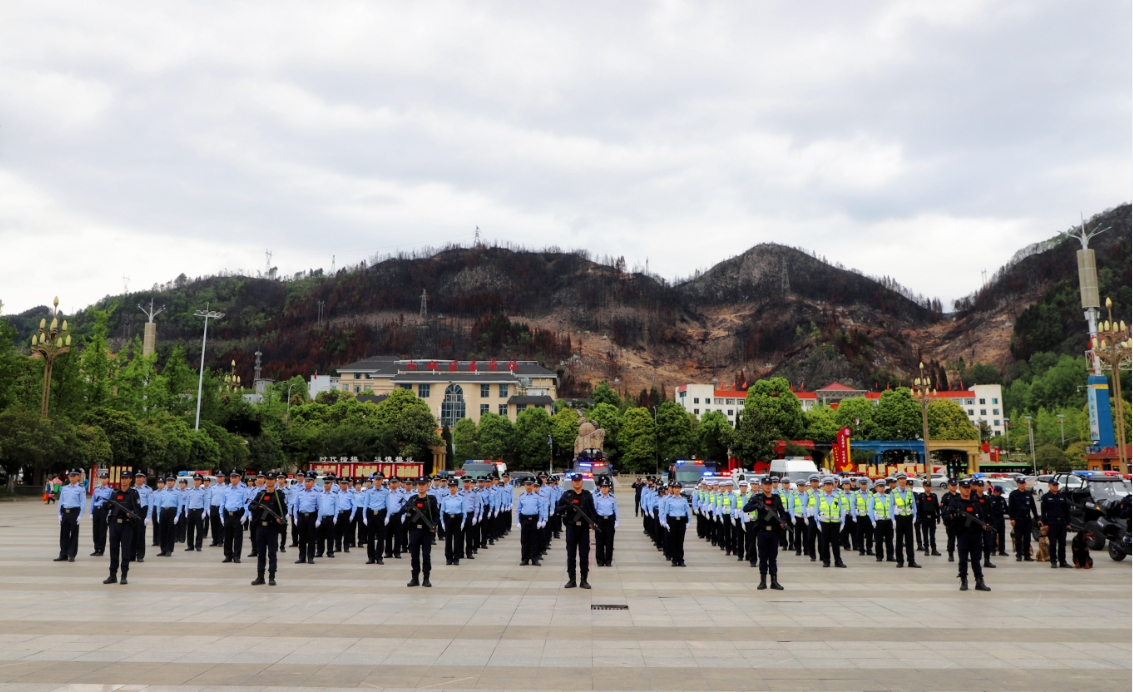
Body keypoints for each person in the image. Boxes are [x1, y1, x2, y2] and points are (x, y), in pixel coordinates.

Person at [743, 476, 788, 589]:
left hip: (774, 532)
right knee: (763, 556)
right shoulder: (757, 498)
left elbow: (783, 513)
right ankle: (762, 581)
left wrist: (783, 521)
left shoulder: (776, 498)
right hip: (762, 531)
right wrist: (757, 505)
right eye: (766, 484)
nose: (768, 486)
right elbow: (746, 508)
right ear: (761, 486)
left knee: (773, 557)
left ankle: (774, 581)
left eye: (770, 484)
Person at [945, 479, 990, 591]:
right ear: (960, 489)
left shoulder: (975, 502)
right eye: (964, 488)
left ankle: (979, 581)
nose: (966, 490)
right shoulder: (955, 502)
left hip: (976, 535)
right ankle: (963, 580)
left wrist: (984, 524)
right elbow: (946, 518)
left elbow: (982, 517)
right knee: (963, 559)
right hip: (962, 534)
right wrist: (954, 515)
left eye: (968, 488)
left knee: (976, 559)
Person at [556, 473, 597, 588]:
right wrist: (568, 507)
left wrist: (592, 522)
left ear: (582, 482)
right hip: (571, 528)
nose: (577, 482)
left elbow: (592, 511)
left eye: (579, 480)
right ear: (572, 482)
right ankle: (572, 579)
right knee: (571, 554)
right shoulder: (567, 495)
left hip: (583, 528)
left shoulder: (587, 495)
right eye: (575, 480)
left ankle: (584, 580)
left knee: (584, 554)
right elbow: (557, 509)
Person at [248, 473, 288, 586]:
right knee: (261, 553)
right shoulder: (261, 494)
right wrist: (258, 507)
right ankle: (260, 577)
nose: (269, 482)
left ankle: (271, 577)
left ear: (275, 481)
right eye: (268, 479)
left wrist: (281, 518)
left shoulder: (279, 495)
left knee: (272, 553)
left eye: (271, 479)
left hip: (272, 528)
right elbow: (250, 506)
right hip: (261, 527)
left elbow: (284, 510)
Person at [103, 479, 143, 585]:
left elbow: (138, 508)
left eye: (126, 479)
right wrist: (109, 505)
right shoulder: (115, 493)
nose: (124, 481)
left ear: (130, 480)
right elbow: (106, 506)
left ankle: (124, 575)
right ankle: (112, 575)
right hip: (114, 524)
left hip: (127, 525)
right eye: (122, 479)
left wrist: (132, 513)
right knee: (113, 550)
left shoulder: (133, 493)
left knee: (126, 551)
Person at [405, 477, 439, 587]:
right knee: (414, 555)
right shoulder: (413, 499)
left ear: (428, 485)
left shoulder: (431, 499)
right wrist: (410, 509)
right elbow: (404, 510)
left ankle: (426, 578)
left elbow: (436, 515)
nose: (421, 486)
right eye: (419, 484)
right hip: (414, 530)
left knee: (426, 555)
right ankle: (415, 578)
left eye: (423, 484)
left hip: (426, 531)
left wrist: (434, 525)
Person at [811, 477, 847, 568]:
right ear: (823, 486)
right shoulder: (820, 497)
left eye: (830, 485)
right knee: (825, 542)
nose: (828, 487)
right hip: (824, 522)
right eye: (826, 485)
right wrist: (818, 523)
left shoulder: (837, 497)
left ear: (832, 485)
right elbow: (816, 511)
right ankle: (826, 560)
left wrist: (843, 522)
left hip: (835, 522)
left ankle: (838, 561)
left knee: (835, 543)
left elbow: (841, 510)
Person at [1039, 478, 1073, 569]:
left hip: (1062, 523)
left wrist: (1068, 523)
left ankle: (1063, 561)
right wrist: (1045, 524)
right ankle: (1053, 561)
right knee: (1053, 543)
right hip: (1052, 523)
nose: (1056, 487)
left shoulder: (1062, 497)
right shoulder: (1045, 497)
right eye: (1054, 485)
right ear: (1049, 485)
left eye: (1057, 485)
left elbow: (1067, 511)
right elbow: (1043, 512)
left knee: (1062, 544)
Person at [54, 470, 87, 562]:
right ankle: (63, 554)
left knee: (74, 534)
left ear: (78, 477)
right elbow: (61, 502)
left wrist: (80, 515)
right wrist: (59, 514)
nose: (72, 477)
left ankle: (72, 554)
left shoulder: (81, 489)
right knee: (63, 534)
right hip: (65, 512)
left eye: (74, 476)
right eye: (70, 476)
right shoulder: (65, 488)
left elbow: (83, 503)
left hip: (74, 512)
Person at [891, 473, 921, 568]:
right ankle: (900, 560)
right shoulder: (894, 492)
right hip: (899, 518)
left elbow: (913, 505)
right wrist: (893, 520)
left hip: (908, 517)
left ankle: (911, 561)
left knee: (909, 540)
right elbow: (890, 507)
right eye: (901, 479)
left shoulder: (909, 491)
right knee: (899, 540)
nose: (903, 481)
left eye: (904, 479)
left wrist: (915, 515)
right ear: (898, 481)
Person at [219, 470, 249, 563]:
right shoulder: (226, 490)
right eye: (232, 477)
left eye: (235, 477)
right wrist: (221, 516)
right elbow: (222, 503)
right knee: (227, 537)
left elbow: (246, 504)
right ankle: (228, 555)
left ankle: (236, 556)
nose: (233, 479)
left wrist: (245, 515)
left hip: (237, 515)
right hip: (228, 515)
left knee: (237, 537)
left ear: (239, 478)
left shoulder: (243, 490)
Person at [515, 478, 546, 566]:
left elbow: (540, 509)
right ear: (524, 485)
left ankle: (534, 559)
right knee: (525, 540)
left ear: (533, 485)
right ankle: (525, 559)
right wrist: (518, 522)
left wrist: (540, 521)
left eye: (530, 485)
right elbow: (518, 510)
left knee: (534, 540)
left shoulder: (537, 497)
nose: (529, 486)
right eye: (527, 485)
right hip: (524, 520)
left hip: (534, 519)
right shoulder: (522, 497)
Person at [1007, 476, 1038, 561]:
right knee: (1018, 538)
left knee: (1027, 538)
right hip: (1017, 519)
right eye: (1020, 484)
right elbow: (1010, 508)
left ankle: (1027, 555)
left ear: (1025, 484)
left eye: (1023, 483)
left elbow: (1033, 507)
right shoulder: (1013, 494)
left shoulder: (1028, 494)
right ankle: (1019, 555)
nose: (1022, 485)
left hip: (1027, 519)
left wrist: (1037, 518)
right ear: (1017, 484)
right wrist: (1012, 518)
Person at [291, 472, 320, 564]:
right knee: (302, 538)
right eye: (306, 481)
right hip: (301, 516)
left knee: (311, 538)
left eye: (309, 481)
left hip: (311, 516)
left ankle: (310, 557)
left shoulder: (316, 493)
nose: (307, 483)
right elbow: (296, 506)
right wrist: (295, 518)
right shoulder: (300, 493)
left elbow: (320, 507)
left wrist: (318, 519)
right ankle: (302, 557)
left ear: (313, 482)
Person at [661, 481, 691, 566]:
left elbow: (687, 512)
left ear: (680, 489)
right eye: (675, 488)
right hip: (672, 521)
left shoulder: (683, 500)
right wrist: (665, 523)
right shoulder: (669, 500)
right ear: (672, 489)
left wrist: (688, 522)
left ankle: (680, 559)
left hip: (681, 521)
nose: (677, 490)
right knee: (673, 540)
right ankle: (674, 559)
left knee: (680, 541)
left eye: (678, 488)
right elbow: (666, 512)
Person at [593, 476, 619, 566]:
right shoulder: (597, 497)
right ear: (600, 487)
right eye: (603, 487)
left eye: (606, 487)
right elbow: (594, 510)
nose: (604, 488)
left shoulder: (612, 497)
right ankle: (600, 560)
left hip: (610, 521)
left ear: (608, 488)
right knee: (599, 542)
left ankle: (608, 560)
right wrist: (594, 521)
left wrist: (617, 521)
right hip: (600, 521)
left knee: (609, 542)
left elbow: (615, 509)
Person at [154, 476, 182, 557]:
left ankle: (169, 550)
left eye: (171, 481)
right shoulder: (162, 492)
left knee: (170, 531)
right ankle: (163, 549)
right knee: (162, 531)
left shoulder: (177, 492)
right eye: (168, 481)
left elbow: (179, 505)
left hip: (172, 511)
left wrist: (177, 516)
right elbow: (158, 505)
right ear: (166, 482)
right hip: (163, 511)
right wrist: (158, 515)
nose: (169, 482)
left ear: (174, 482)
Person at [440, 478, 466, 565]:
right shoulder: (445, 498)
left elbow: (464, 511)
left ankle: (456, 558)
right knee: (448, 541)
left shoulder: (461, 498)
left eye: (454, 486)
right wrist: (442, 522)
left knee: (457, 540)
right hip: (448, 520)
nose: (452, 488)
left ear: (457, 487)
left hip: (457, 520)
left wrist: (463, 522)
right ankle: (448, 558)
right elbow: (442, 511)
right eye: (450, 486)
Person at [868, 479, 894, 562]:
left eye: (883, 486)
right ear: (876, 488)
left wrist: (893, 520)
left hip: (888, 520)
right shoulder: (874, 497)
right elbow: (870, 510)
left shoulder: (889, 497)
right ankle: (879, 556)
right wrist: (873, 521)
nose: (882, 488)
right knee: (878, 540)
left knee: (889, 540)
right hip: (879, 521)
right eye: (880, 487)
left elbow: (893, 509)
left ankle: (890, 556)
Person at [182, 474, 208, 551]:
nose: (196, 482)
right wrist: (186, 511)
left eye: (198, 480)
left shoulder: (203, 491)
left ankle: (198, 545)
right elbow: (187, 501)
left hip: (199, 511)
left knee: (199, 529)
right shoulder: (190, 491)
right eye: (195, 480)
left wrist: (204, 512)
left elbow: (205, 502)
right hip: (191, 511)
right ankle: (190, 545)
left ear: (200, 482)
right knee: (189, 529)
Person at [89, 472, 113, 556]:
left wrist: (110, 512)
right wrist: (91, 512)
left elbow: (111, 502)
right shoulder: (97, 489)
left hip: (104, 510)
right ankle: (96, 548)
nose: (103, 480)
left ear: (108, 479)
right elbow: (93, 501)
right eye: (102, 478)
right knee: (95, 530)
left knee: (102, 531)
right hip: (96, 510)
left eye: (105, 478)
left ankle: (101, 549)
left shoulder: (110, 490)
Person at [131, 472, 153, 562]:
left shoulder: (148, 489)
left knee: (140, 535)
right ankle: (131, 555)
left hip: (142, 512)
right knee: (131, 535)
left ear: (144, 479)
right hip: (132, 513)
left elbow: (150, 504)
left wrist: (147, 517)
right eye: (137, 477)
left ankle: (140, 555)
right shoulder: (131, 489)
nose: (138, 479)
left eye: (140, 477)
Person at [316, 476, 338, 558]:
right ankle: (319, 551)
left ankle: (330, 551)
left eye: (328, 483)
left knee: (330, 536)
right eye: (325, 483)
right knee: (319, 536)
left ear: (331, 484)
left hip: (330, 518)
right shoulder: (319, 494)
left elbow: (337, 507)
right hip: (321, 518)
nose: (326, 485)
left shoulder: (334, 495)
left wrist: (335, 517)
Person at [919, 482, 941, 557]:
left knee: (932, 535)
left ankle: (934, 549)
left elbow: (937, 507)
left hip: (932, 518)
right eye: (926, 486)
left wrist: (938, 516)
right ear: (924, 487)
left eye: (929, 486)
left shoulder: (934, 496)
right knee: (925, 535)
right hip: (924, 518)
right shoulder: (921, 496)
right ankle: (926, 549)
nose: (928, 488)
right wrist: (919, 518)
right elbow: (919, 507)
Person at [940, 478, 959, 561]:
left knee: (962, 539)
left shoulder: (959, 496)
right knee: (951, 539)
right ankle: (950, 554)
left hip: (959, 521)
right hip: (951, 522)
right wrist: (946, 520)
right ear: (948, 486)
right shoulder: (945, 497)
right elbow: (942, 509)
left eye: (955, 485)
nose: (954, 487)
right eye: (952, 485)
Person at [989, 485, 1009, 557]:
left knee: (1002, 535)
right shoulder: (990, 499)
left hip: (1001, 518)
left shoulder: (1002, 499)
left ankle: (1002, 550)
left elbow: (1007, 509)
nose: (1000, 494)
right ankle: (992, 550)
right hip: (993, 519)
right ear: (995, 491)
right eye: (999, 492)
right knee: (993, 536)